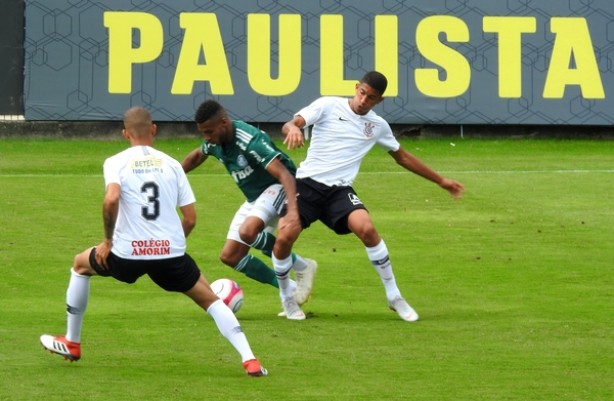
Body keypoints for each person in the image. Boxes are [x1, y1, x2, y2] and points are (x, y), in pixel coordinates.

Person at [39, 107, 268, 377]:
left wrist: (107, 241)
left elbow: (111, 199)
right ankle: (250, 360)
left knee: (80, 265)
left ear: (125, 133)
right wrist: (169, 245)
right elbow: (191, 218)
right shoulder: (172, 164)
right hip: (170, 256)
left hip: (127, 255)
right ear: (154, 129)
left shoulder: (116, 161)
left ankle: (72, 342)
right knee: (211, 300)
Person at [273, 71, 466, 321]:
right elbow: (292, 123)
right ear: (356, 88)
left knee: (367, 229)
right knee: (285, 235)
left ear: (379, 100)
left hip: (339, 190)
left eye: (371, 97)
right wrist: (293, 130)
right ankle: (287, 299)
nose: (364, 100)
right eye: (362, 93)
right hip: (307, 185)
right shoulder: (327, 105)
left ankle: (394, 296)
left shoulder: (377, 126)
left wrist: (441, 181)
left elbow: (403, 156)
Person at [181, 100, 317, 309]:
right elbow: (198, 155)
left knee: (248, 232)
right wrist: (175, 175)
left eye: (209, 131)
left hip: (279, 187)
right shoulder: (215, 142)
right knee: (230, 256)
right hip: (256, 197)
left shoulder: (249, 141)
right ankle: (289, 288)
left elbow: (284, 175)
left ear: (224, 123)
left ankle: (302, 266)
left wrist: (292, 210)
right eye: (203, 133)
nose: (206, 137)